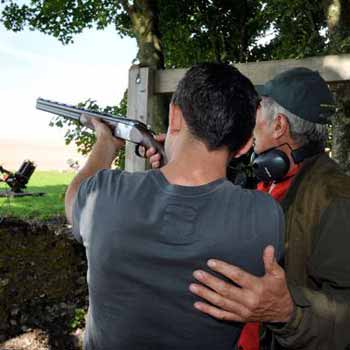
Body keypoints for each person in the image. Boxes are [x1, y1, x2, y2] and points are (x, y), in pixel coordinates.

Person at [65, 62, 285, 350]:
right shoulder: (266, 215)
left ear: (175, 116)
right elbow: (201, 208)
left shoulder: (104, 194)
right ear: (245, 146)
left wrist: (105, 143)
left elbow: (73, 199)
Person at [186, 68, 350, 350]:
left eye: (257, 111)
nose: (251, 121)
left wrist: (287, 312)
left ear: (279, 126)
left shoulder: (336, 199)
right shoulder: (265, 177)